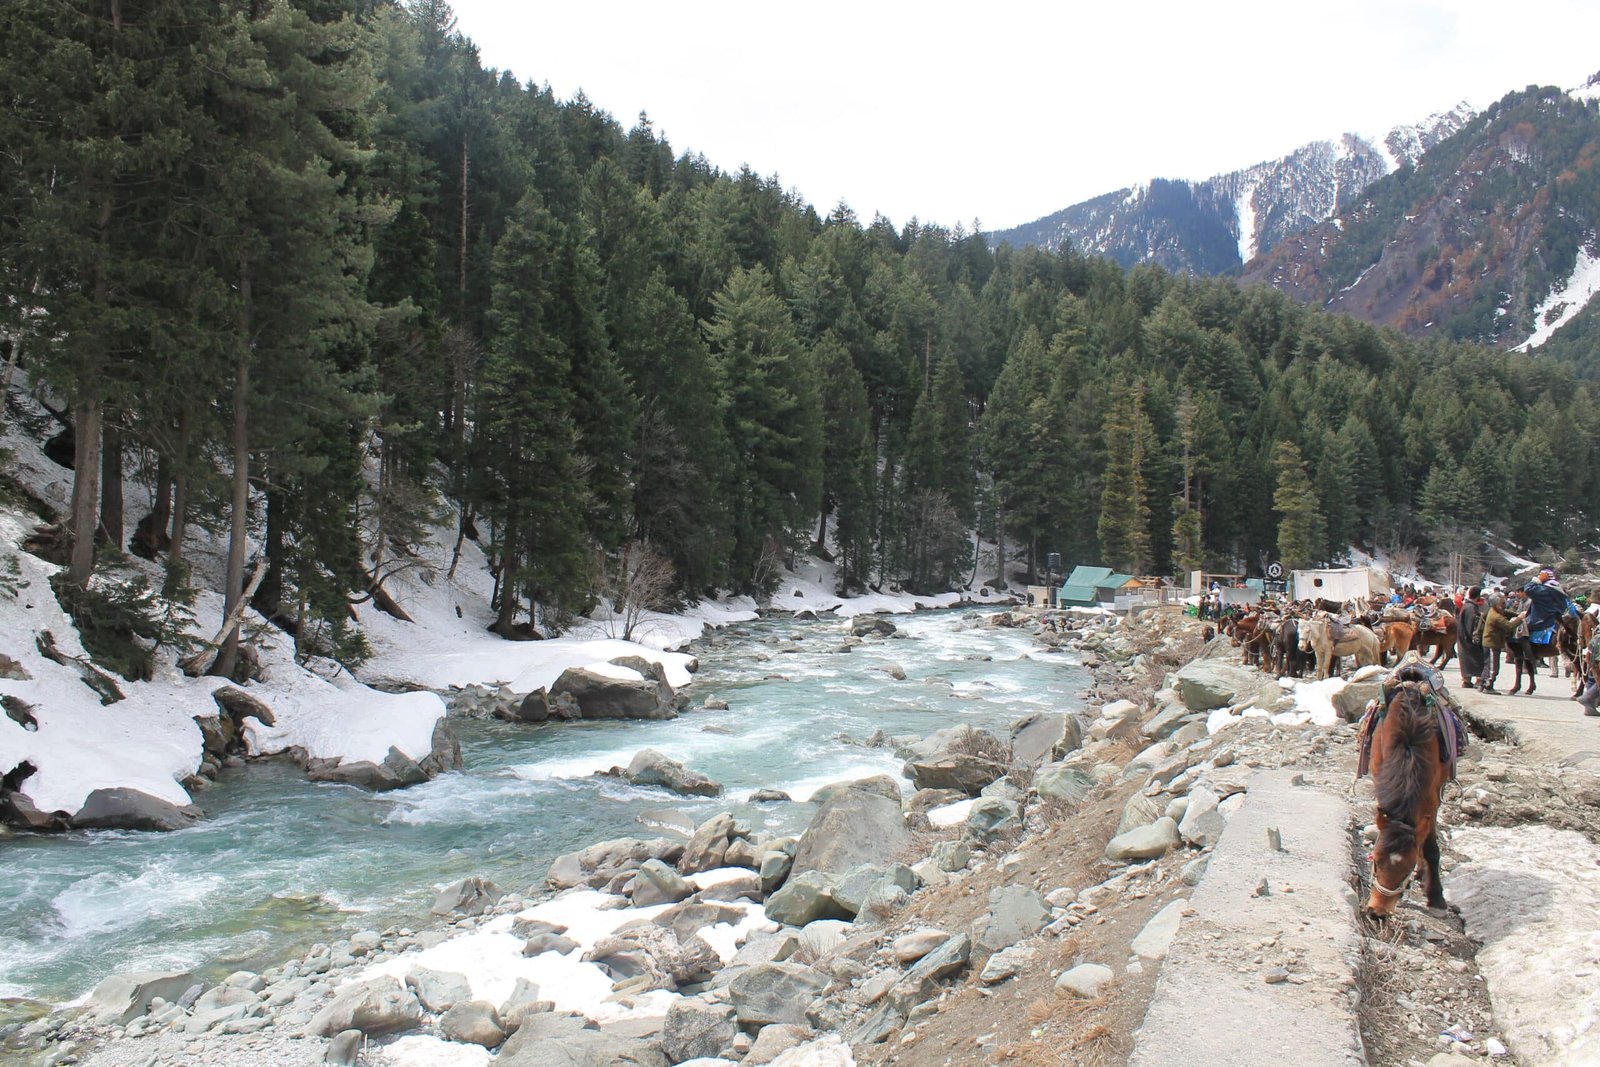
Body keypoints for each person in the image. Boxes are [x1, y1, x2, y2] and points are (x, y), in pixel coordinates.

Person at [1480, 594, 1515, 694]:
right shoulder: (1496, 616)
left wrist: (1516, 614)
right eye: (1503, 603)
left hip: (1489, 642)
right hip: (1492, 643)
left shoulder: (1493, 610)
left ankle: (1482, 683)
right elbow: (1509, 626)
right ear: (1496, 604)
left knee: (1488, 664)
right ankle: (1488, 685)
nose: (1505, 605)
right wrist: (1520, 618)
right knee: (1493, 666)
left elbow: (1506, 612)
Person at [1456, 587, 1485, 690]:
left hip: (1463, 637)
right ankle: (1476, 680)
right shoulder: (1470, 608)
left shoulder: (1467, 606)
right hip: (1468, 638)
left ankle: (1467, 680)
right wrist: (1475, 638)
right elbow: (1471, 625)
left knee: (1466, 660)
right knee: (1475, 659)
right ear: (1478, 596)